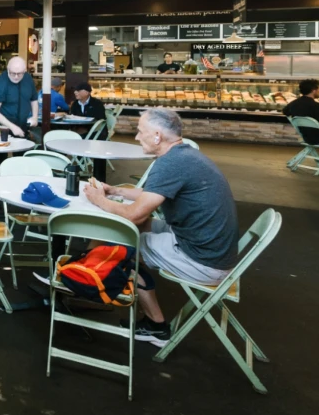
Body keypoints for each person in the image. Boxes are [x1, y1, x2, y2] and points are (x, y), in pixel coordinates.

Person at [74, 108, 240, 347]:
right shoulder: (184, 155)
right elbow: (152, 193)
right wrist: (115, 191)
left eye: (140, 132)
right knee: (142, 225)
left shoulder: (171, 163)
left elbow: (133, 215)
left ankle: (156, 326)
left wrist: (98, 199)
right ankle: (91, 276)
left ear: (157, 136)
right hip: (213, 249)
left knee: (121, 247)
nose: (136, 137)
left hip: (203, 260)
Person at [0, 56, 38, 138]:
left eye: (20, 73)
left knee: (23, 149)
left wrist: (35, 117)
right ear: (7, 69)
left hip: (21, 123)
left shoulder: (28, 79)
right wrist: (12, 127)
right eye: (13, 73)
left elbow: (34, 99)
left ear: (25, 71)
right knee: (2, 149)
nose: (16, 76)